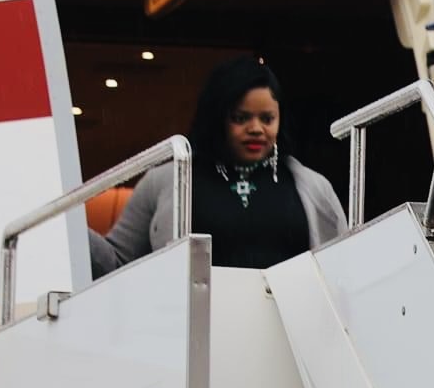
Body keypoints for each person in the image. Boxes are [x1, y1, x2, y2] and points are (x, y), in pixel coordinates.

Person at [90, 56, 342, 276]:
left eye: (267, 118)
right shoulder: (165, 180)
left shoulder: (313, 187)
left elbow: (343, 269)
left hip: (289, 329)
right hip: (197, 328)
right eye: (240, 118)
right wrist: (63, 229)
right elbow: (117, 263)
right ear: (216, 118)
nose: (256, 129)